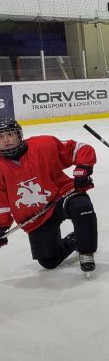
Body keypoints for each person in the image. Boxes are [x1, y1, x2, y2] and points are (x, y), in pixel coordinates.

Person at [0, 118, 98, 276]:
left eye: (10, 134)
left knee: (81, 206)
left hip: (62, 195)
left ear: (19, 135)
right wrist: (1, 226)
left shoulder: (43, 145)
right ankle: (76, 238)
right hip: (36, 214)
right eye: (1, 137)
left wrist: (84, 168)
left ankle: (86, 252)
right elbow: (1, 201)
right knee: (49, 261)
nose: (6, 140)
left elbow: (79, 149)